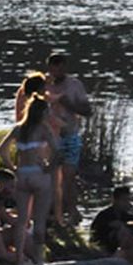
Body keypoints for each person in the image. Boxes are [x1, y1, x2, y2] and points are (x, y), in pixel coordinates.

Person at [0, 95, 58, 265]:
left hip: (22, 175)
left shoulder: (19, 128)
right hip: (38, 174)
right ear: (42, 113)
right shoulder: (44, 129)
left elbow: (1, 150)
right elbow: (58, 152)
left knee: (22, 220)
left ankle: (19, 259)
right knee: (39, 221)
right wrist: (49, 167)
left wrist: (13, 167)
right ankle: (39, 261)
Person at [44, 53, 92, 227]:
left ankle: (71, 212)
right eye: (54, 66)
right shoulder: (44, 84)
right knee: (51, 178)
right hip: (49, 138)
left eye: (61, 66)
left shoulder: (74, 85)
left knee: (69, 177)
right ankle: (54, 213)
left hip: (70, 135)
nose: (57, 70)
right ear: (49, 67)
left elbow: (88, 110)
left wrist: (67, 103)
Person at [89, 185, 133, 253]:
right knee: (126, 230)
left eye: (129, 200)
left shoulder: (126, 216)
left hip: (120, 249)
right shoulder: (104, 215)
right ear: (115, 200)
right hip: (103, 248)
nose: (128, 203)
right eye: (124, 200)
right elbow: (121, 229)